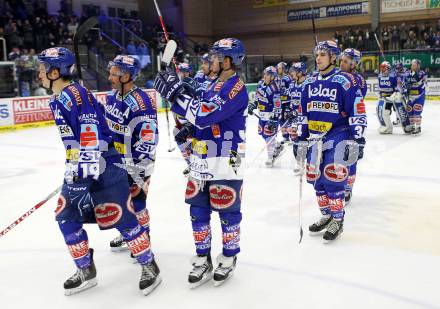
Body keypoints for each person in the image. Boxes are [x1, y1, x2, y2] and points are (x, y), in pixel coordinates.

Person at [38, 47, 161, 296]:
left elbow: (92, 138)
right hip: (83, 167)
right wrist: (75, 171)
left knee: (125, 220)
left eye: (42, 70)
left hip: (105, 168)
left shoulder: (75, 96)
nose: (38, 74)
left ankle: (149, 265)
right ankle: (86, 270)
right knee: (66, 217)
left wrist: (83, 174)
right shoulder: (61, 98)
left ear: (54, 72)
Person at [154, 38, 248, 287]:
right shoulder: (208, 83)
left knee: (228, 211)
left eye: (216, 57)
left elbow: (205, 114)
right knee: (198, 211)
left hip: (227, 157)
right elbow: (190, 109)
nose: (210, 60)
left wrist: (178, 95)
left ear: (228, 61)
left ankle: (228, 258)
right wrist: (175, 92)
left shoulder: (235, 88)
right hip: (201, 156)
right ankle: (202, 256)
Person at [296, 40, 366, 243]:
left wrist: (357, 140)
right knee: (316, 179)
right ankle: (326, 214)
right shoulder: (309, 82)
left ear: (333, 57)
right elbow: (303, 112)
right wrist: (300, 138)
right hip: (315, 137)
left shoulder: (345, 81)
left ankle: (338, 218)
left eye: (323, 55)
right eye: (316, 54)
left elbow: (357, 108)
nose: (318, 58)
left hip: (338, 134)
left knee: (333, 178)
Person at [105, 55, 159, 256]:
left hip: (138, 163)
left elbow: (149, 139)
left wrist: (132, 164)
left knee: (137, 202)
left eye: (113, 74)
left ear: (126, 76)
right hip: (116, 161)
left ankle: (144, 238)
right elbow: (109, 128)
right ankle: (130, 233)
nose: (109, 77)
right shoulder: (112, 96)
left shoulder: (141, 102)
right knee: (120, 201)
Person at [339, 48, 367, 205]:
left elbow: (357, 106)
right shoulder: (336, 76)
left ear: (355, 63)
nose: (341, 63)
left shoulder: (359, 81)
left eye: (345, 61)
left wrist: (359, 134)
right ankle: (338, 186)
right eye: (341, 60)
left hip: (350, 124)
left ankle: (348, 188)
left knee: (351, 158)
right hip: (336, 125)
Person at [248, 66, 283, 167]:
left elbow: (277, 105)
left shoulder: (275, 88)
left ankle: (270, 157)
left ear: (273, 76)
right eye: (265, 73)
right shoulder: (260, 84)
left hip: (271, 117)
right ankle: (277, 145)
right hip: (262, 115)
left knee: (269, 137)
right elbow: (257, 98)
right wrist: (253, 105)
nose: (265, 76)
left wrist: (274, 118)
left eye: (268, 74)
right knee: (263, 134)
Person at [377, 61, 411, 134]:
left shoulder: (394, 75)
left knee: (401, 110)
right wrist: (380, 93)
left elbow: (400, 85)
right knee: (382, 111)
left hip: (395, 96)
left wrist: (398, 92)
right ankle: (386, 127)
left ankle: (407, 126)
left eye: (384, 67)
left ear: (388, 68)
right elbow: (379, 86)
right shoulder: (379, 76)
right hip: (385, 97)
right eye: (381, 67)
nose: (382, 69)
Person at [287, 62, 308, 175]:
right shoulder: (291, 85)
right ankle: (298, 161)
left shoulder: (309, 84)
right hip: (295, 118)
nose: (291, 73)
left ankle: (306, 161)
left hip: (306, 118)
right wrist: (289, 111)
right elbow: (291, 101)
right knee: (294, 138)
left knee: (304, 140)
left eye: (294, 71)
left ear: (300, 72)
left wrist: (299, 111)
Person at [407, 59, 427, 135]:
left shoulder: (422, 73)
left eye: (414, 65)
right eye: (412, 65)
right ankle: (412, 126)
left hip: (419, 95)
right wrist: (405, 86)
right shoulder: (408, 73)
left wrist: (412, 84)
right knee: (409, 111)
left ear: (418, 66)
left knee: (417, 110)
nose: (413, 66)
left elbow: (422, 83)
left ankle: (418, 127)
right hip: (410, 96)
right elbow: (404, 81)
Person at [275, 62, 291, 143]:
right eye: (278, 68)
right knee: (281, 119)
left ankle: (290, 135)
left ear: (284, 69)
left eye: (280, 68)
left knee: (287, 119)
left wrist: (286, 92)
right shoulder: (276, 78)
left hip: (287, 103)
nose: (278, 69)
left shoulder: (288, 78)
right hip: (279, 103)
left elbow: (292, 89)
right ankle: (285, 136)